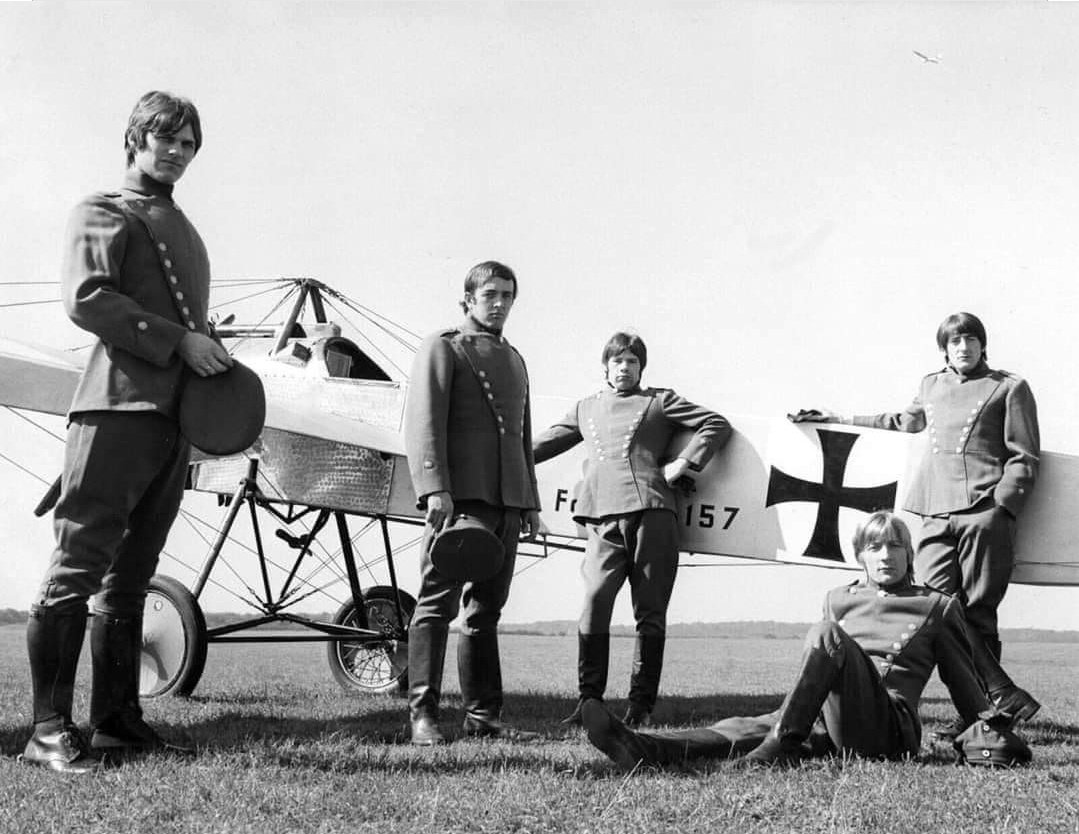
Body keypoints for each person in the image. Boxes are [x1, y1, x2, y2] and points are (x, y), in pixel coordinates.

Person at [20, 91, 232, 774]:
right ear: (133, 139)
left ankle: (116, 722)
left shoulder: (186, 228)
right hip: (115, 410)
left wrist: (206, 347)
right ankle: (48, 730)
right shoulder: (104, 210)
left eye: (188, 143)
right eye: (164, 138)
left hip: (174, 423)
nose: (175, 152)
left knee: (132, 577)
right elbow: (88, 297)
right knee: (79, 564)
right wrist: (179, 340)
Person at [581, 512, 1032, 770]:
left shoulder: (936, 605)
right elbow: (823, 671)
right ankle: (641, 747)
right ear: (861, 556)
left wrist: (987, 725)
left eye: (896, 547)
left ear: (910, 555)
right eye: (875, 547)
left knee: (823, 637)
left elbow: (963, 685)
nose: (886, 555)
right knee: (740, 727)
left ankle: (780, 747)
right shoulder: (838, 598)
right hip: (825, 719)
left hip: (887, 728)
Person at [791, 312, 1040, 732]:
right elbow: (902, 422)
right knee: (936, 607)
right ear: (944, 348)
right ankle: (1001, 697)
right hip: (933, 510)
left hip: (983, 510)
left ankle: (979, 718)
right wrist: (835, 418)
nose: (964, 348)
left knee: (978, 613)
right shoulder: (931, 385)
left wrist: (1001, 506)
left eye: (972, 340)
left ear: (983, 345)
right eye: (955, 341)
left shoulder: (1009, 387)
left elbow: (1025, 455)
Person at [533, 332, 730, 728]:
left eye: (633, 362)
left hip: (652, 513)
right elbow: (541, 445)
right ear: (604, 366)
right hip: (601, 518)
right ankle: (588, 703)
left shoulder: (659, 401)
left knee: (649, 612)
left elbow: (715, 424)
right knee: (594, 603)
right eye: (618, 361)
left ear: (642, 368)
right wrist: (499, 460)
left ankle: (640, 706)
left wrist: (685, 463)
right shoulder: (586, 408)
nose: (624, 368)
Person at [403, 260, 542, 745]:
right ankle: (423, 715)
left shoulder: (515, 358)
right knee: (436, 605)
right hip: (459, 499)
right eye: (490, 295)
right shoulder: (444, 348)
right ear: (467, 300)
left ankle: (483, 715)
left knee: (486, 610)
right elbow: (423, 422)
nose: (500, 303)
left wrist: (528, 502)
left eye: (507, 294)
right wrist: (434, 487)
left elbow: (521, 436)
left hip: (506, 500)